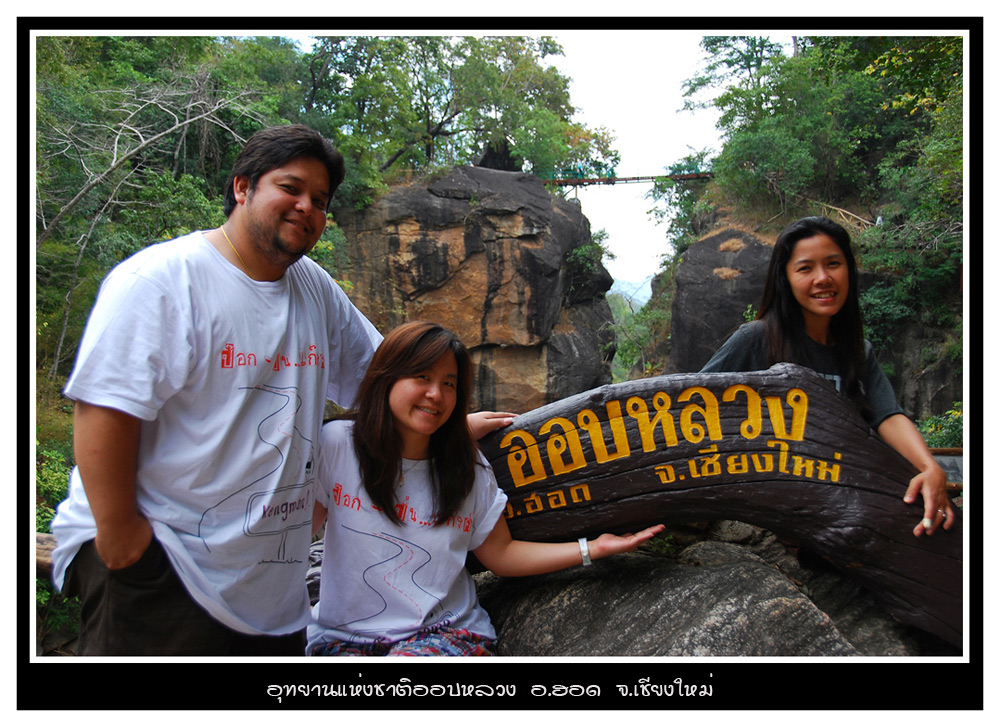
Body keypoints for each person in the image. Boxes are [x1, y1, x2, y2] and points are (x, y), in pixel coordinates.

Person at [48, 124, 511, 656]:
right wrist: (121, 538)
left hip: (269, 592)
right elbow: (104, 409)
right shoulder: (165, 280)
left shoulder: (313, 288)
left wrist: (447, 425)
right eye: (290, 188)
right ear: (242, 187)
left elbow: (387, 381)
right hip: (167, 563)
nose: (306, 207)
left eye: (320, 199)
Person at [307, 321, 664, 656]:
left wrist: (594, 549)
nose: (436, 394)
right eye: (422, 376)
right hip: (341, 637)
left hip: (442, 635)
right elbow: (296, 532)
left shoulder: (466, 467)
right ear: (386, 378)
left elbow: (501, 553)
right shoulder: (338, 445)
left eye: (449, 384)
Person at [700, 216, 954, 538]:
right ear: (785, 279)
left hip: (837, 511)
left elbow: (887, 415)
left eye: (833, 264)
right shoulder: (755, 339)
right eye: (805, 268)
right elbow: (690, 403)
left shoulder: (857, 351)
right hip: (769, 518)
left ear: (848, 269)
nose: (823, 278)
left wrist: (929, 468)